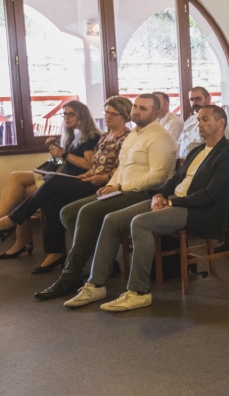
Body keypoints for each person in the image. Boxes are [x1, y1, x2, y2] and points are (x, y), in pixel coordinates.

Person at [62, 105, 229, 311]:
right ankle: (95, 285)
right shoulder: (198, 150)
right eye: (199, 119)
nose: (199, 124)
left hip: (198, 211)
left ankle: (138, 292)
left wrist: (172, 202)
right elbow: (176, 179)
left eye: (205, 119)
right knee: (112, 219)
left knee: (141, 223)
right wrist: (160, 194)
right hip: (174, 200)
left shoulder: (228, 155)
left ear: (221, 123)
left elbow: (212, 194)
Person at [34, 95, 178, 301]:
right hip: (121, 188)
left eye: (143, 109)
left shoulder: (160, 137)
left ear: (156, 113)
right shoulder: (134, 135)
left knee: (87, 212)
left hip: (142, 194)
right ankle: (104, 262)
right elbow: (122, 167)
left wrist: (119, 186)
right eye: (135, 106)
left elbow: (158, 177)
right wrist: (111, 184)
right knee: (67, 212)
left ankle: (71, 275)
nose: (136, 111)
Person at [1, 98, 128, 272]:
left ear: (125, 116)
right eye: (106, 112)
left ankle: (12, 219)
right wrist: (89, 174)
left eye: (113, 114)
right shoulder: (106, 137)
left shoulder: (125, 138)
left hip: (107, 185)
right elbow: (95, 166)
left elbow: (122, 168)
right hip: (89, 180)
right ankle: (56, 253)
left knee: (51, 183)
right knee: (54, 200)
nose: (107, 116)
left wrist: (102, 176)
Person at [177, 86, 212, 159]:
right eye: (191, 100)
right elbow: (180, 143)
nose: (194, 102)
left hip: (202, 163)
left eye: (198, 99)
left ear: (208, 98)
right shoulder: (190, 120)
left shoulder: (216, 119)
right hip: (184, 163)